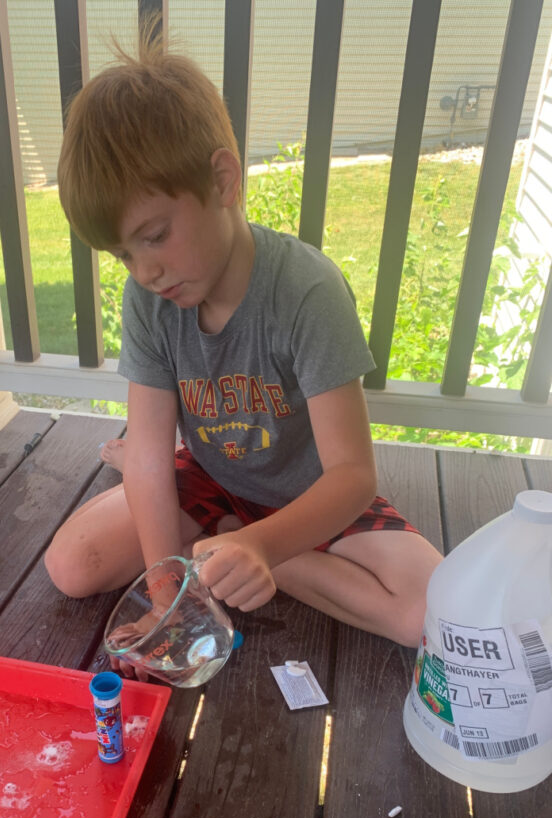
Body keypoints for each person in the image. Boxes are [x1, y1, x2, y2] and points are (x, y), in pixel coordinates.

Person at [44, 29, 442, 648]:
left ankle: (230, 550)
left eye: (153, 236)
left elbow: (353, 474)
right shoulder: (150, 298)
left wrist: (258, 543)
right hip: (210, 483)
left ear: (223, 181)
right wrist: (165, 597)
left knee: (430, 615)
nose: (144, 271)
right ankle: (219, 549)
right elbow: (149, 456)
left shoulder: (307, 291)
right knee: (72, 566)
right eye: (123, 254)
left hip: (314, 501)